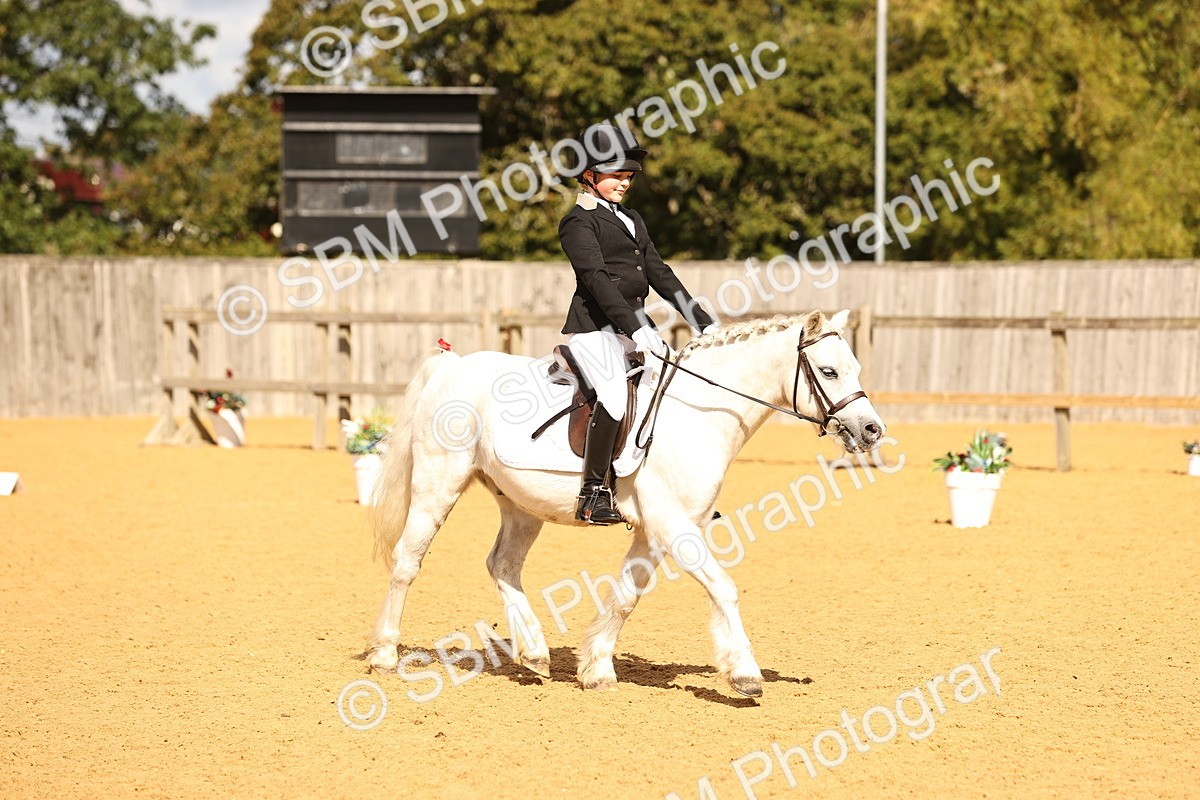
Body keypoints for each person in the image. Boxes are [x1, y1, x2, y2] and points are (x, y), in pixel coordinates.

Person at [558, 123, 720, 525]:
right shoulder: (578, 222)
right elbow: (595, 280)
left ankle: (673, 490)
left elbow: (660, 273)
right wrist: (635, 326)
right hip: (593, 331)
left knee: (671, 391)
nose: (625, 183)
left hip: (631, 329)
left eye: (628, 176)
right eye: (616, 175)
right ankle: (593, 493)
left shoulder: (631, 219)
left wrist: (702, 321)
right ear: (589, 175)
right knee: (614, 395)